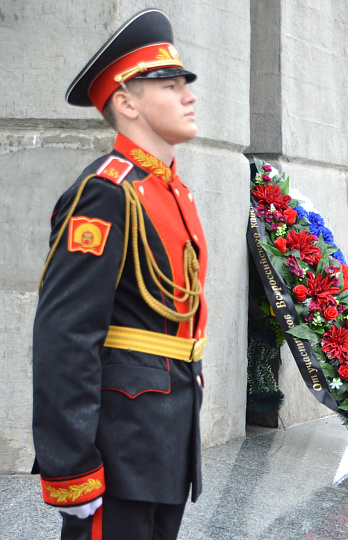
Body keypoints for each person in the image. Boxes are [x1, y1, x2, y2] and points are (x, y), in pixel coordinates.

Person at [31, 9, 207, 539]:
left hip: (165, 436)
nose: (189, 96)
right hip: (120, 446)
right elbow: (66, 336)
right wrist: (72, 466)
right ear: (127, 103)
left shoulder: (171, 190)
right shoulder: (107, 194)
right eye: (170, 85)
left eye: (185, 85)